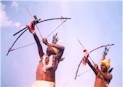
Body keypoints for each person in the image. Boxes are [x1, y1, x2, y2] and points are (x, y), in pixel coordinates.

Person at [26, 20, 65, 87]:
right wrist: (33, 32)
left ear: (54, 52)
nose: (47, 47)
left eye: (50, 47)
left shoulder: (55, 59)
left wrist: (48, 43)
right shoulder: (42, 56)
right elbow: (38, 44)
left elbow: (62, 48)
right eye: (47, 47)